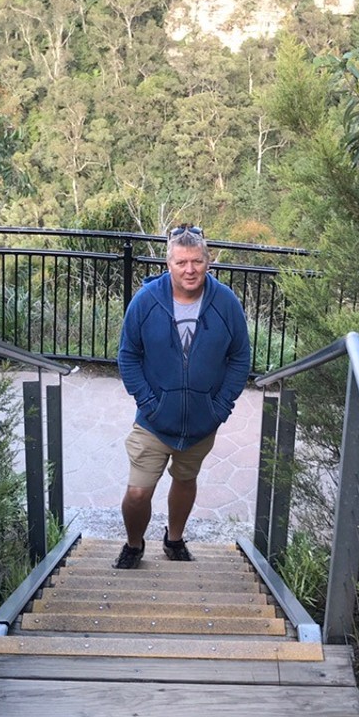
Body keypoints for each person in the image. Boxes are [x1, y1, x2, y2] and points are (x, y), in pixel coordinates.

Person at [113, 225, 251, 568]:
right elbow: (128, 354)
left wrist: (219, 407)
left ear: (208, 261)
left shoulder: (225, 303)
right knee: (137, 491)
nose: (190, 269)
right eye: (181, 262)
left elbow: (240, 357)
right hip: (154, 421)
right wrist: (147, 402)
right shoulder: (146, 301)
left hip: (201, 422)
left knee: (185, 480)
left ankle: (174, 540)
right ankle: (134, 544)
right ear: (168, 263)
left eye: (197, 261)